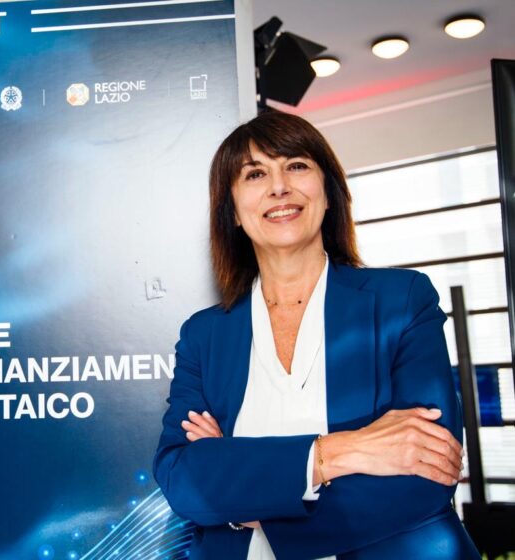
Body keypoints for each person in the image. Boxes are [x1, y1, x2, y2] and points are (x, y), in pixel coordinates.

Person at [152, 109, 480, 559]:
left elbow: (428, 471)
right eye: (254, 174)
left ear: (329, 195)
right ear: (233, 212)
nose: (279, 186)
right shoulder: (203, 335)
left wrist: (243, 494)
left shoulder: (402, 300)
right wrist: (339, 452)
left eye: (297, 165)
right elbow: (183, 480)